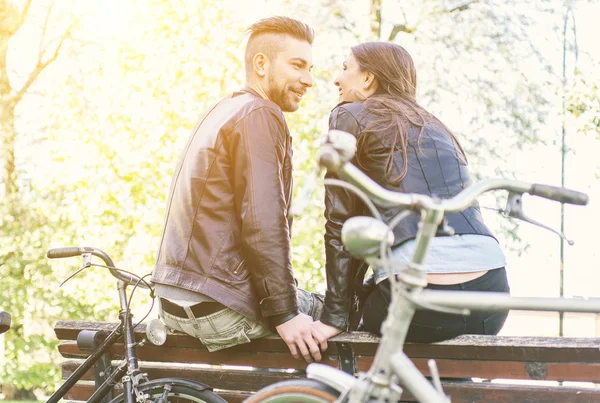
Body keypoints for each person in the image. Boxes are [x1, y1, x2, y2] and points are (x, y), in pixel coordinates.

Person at [151, 16, 327, 363]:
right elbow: (263, 223)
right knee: (339, 312)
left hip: (174, 302)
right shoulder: (260, 113)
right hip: (218, 307)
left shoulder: (222, 110)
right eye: (297, 65)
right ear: (261, 64)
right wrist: (285, 315)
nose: (308, 79)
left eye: (310, 68)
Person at [312, 42, 510, 343]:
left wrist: (335, 316)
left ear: (367, 78)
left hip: (418, 297)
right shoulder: (435, 126)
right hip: (491, 295)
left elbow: (341, 223)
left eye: (344, 68)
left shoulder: (349, 115)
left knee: (371, 338)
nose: (336, 79)